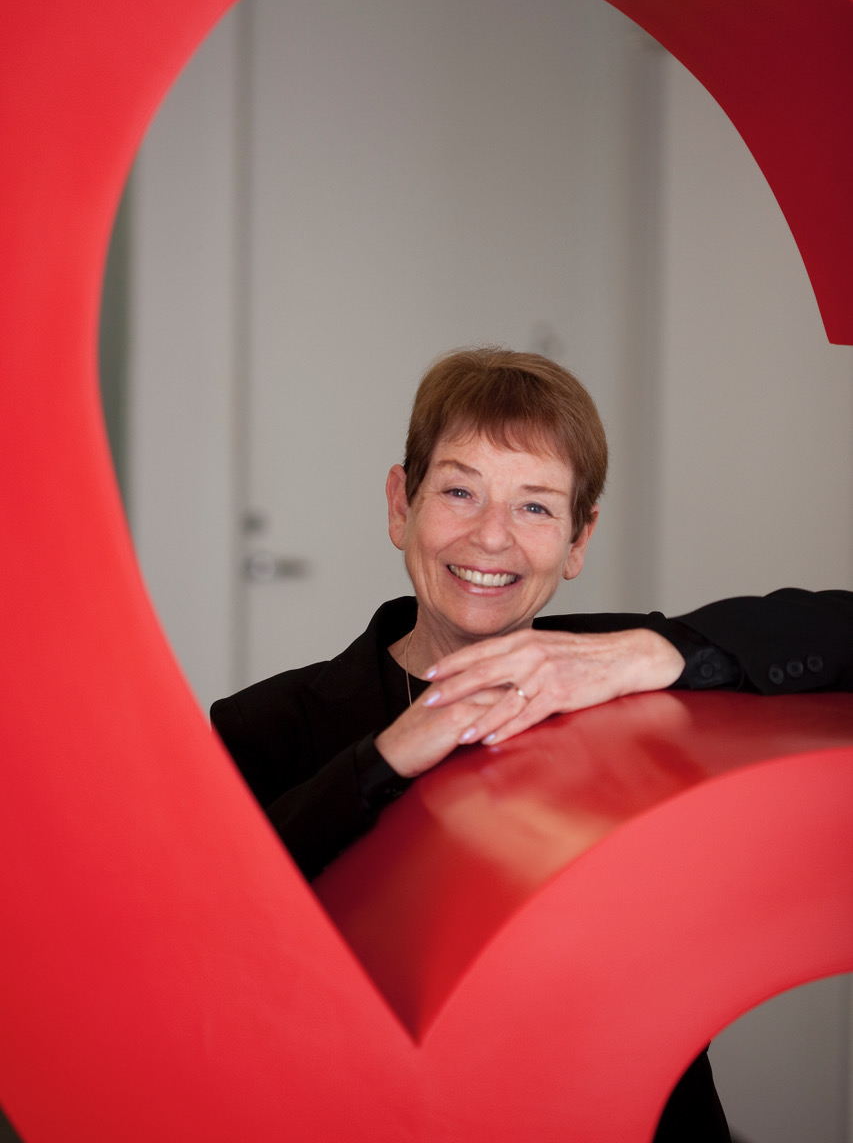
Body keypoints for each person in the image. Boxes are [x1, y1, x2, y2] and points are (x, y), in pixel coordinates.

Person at [212, 347, 853, 1143]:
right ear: (401, 504)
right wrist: (381, 760)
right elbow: (214, 937)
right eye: (459, 491)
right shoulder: (263, 725)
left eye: (536, 508)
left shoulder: (631, 668)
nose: (491, 537)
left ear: (579, 540)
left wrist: (654, 654)